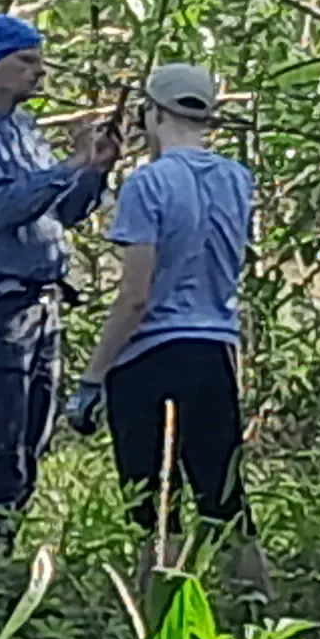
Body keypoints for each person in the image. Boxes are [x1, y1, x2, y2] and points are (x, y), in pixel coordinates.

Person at [69, 64, 265, 586]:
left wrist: (91, 379)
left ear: (151, 114)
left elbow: (135, 296)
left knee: (156, 512)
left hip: (148, 359)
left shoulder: (147, 185)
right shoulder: (237, 180)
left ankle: (160, 631)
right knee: (226, 503)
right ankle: (256, 618)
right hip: (214, 351)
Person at [0, 14, 118, 546]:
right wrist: (70, 163)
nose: (39, 71)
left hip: (42, 305)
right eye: (26, 61)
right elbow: (3, 205)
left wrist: (95, 169)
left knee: (34, 435)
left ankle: (6, 547)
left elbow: (65, 210)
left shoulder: (27, 132)